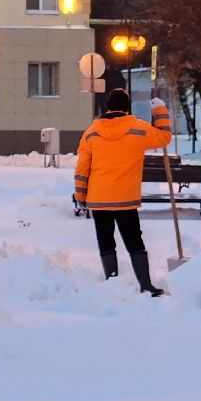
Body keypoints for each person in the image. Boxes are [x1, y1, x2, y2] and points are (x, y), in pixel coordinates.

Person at [73, 88, 172, 296]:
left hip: (99, 200)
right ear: (127, 107)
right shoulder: (139, 129)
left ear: (107, 106)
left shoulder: (91, 133)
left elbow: (82, 168)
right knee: (135, 241)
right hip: (125, 200)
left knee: (106, 241)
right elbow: (164, 137)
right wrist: (160, 111)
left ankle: (112, 285)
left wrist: (81, 195)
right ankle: (146, 285)